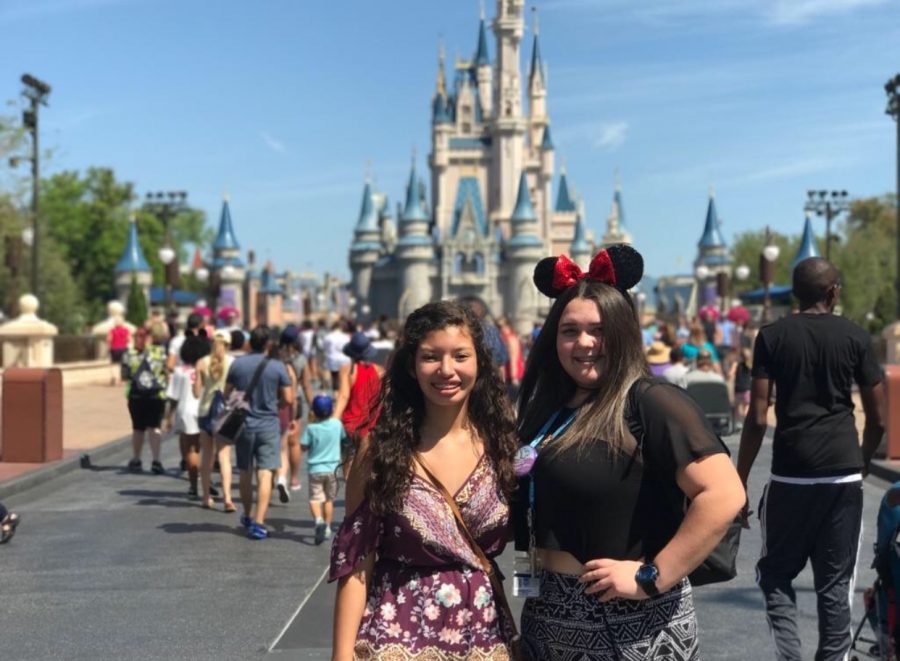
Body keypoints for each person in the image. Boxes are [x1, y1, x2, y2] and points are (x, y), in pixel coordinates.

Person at [515, 247, 744, 660]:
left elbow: (724, 494)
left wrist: (651, 576)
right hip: (548, 619)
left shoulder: (650, 402)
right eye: (569, 331)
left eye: (598, 330)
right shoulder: (546, 410)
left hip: (630, 626)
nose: (584, 343)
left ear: (622, 333)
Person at [330, 301, 518, 659]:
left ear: (479, 362)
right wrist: (341, 655)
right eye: (431, 356)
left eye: (460, 356)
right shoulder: (380, 450)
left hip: (482, 635)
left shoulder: (502, 446)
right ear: (412, 366)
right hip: (397, 636)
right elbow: (357, 561)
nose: (447, 370)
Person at [737, 257, 885, 661]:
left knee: (776, 573)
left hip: (791, 474)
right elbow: (878, 418)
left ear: (796, 294)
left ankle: (790, 654)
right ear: (833, 292)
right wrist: (864, 460)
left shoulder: (772, 336)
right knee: (835, 583)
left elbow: (757, 416)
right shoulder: (856, 337)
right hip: (842, 474)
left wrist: (741, 478)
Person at [225, 325, 294, 540]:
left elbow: (227, 393)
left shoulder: (238, 364)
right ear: (267, 344)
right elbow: (289, 399)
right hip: (268, 425)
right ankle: (259, 521)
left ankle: (246, 514)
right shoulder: (277, 366)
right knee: (265, 473)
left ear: (249, 342)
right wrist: (277, 403)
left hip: (244, 425)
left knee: (245, 471)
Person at [195, 330, 236, 511]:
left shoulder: (202, 362)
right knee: (224, 456)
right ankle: (227, 498)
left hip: (205, 411)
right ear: (228, 344)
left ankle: (205, 496)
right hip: (225, 414)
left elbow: (196, 392)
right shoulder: (233, 363)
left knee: (207, 455)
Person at [164, 335, 209, 499]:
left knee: (191, 449)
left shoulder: (179, 372)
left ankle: (194, 484)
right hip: (206, 411)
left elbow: (173, 398)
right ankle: (207, 481)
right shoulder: (207, 368)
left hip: (186, 412)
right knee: (208, 450)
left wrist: (168, 417)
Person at [334, 331, 383, 479]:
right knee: (368, 461)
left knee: (348, 459)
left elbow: (343, 395)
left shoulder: (347, 370)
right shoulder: (379, 370)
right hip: (371, 423)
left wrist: (334, 418)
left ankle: (350, 493)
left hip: (350, 423)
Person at [122, 326, 169, 474]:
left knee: (138, 428)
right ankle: (156, 460)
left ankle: (136, 459)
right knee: (154, 427)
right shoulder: (159, 352)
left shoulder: (129, 354)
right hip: (156, 395)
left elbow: (125, 375)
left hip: (136, 395)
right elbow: (166, 370)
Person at [301, 394, 347, 545]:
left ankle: (318, 520)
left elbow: (303, 446)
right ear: (332, 409)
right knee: (329, 500)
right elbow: (344, 440)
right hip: (333, 469)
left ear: (313, 410)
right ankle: (327, 527)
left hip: (315, 469)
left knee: (315, 499)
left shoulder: (311, 428)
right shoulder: (336, 425)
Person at [274, 325, 313, 502]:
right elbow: (306, 385)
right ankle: (294, 478)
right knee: (293, 442)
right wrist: (313, 405)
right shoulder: (301, 359)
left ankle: (277, 474)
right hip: (295, 403)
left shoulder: (275, 358)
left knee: (277, 441)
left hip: (275, 401)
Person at [323, 319, 352, 391]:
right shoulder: (346, 336)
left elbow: (325, 348)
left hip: (332, 358)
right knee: (344, 378)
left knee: (335, 377)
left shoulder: (328, 336)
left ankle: (336, 393)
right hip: (345, 359)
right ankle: (344, 393)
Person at [108, 315, 130, 386]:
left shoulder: (112, 330)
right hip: (123, 348)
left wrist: (109, 346)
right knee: (124, 364)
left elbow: (109, 339)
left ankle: (114, 377)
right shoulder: (126, 330)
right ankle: (122, 379)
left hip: (114, 348)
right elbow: (128, 339)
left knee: (114, 364)